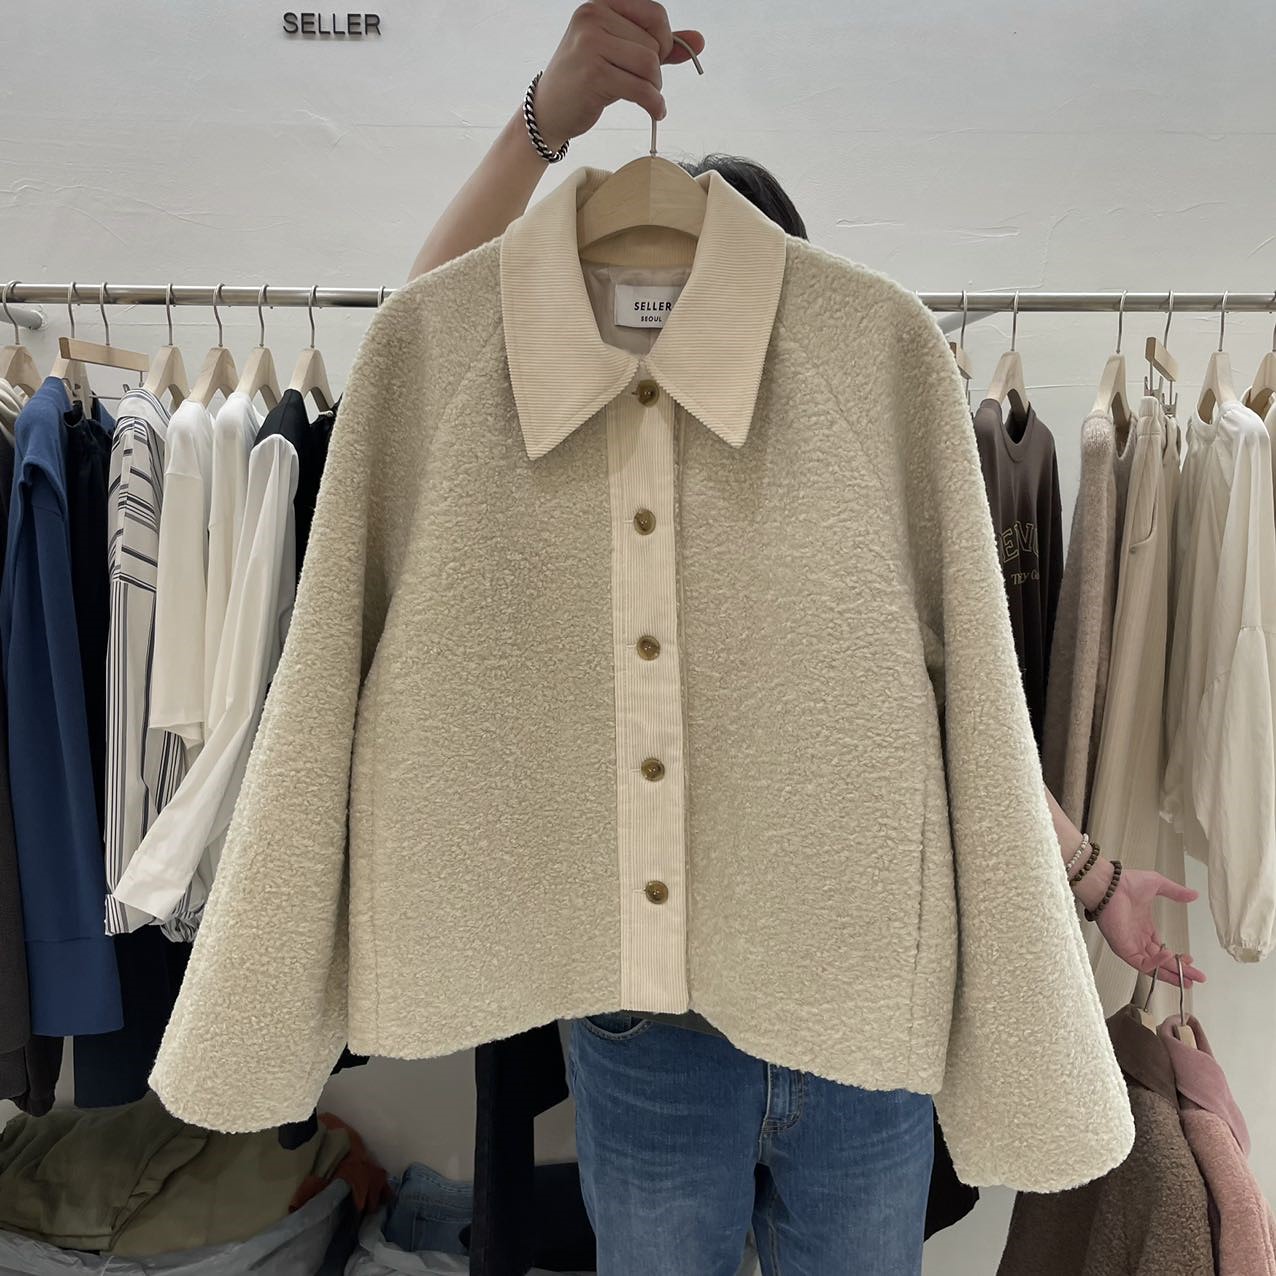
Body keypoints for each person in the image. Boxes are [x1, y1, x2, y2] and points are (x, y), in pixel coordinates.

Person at [407, 2, 1205, 1269]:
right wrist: (543, 123)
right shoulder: (561, 469)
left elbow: (960, 709)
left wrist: (1096, 880)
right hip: (656, 1026)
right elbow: (418, 356)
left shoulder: (862, 432)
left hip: (857, 1021)